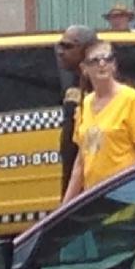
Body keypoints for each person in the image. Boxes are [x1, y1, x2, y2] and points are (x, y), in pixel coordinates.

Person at [63, 42, 135, 203]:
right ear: (84, 68)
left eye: (108, 58)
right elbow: (81, 162)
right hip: (96, 199)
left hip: (126, 198)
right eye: (95, 60)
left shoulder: (130, 99)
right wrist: (65, 206)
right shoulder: (85, 104)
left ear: (114, 65)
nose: (102, 64)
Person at [53, 24, 97, 195]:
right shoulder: (72, 81)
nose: (60, 52)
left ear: (87, 50)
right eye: (59, 46)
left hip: (93, 185)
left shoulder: (101, 88)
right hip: (73, 176)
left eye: (68, 46)